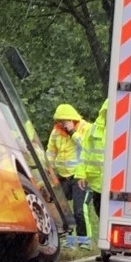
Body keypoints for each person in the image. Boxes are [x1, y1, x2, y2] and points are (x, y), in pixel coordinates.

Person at [46, 103, 91, 244]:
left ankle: (84, 242)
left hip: (79, 176)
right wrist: (49, 169)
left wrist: (72, 132)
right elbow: (51, 151)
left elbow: (87, 146)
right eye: (58, 121)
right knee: (59, 209)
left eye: (63, 121)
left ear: (71, 119)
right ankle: (67, 240)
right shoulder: (56, 131)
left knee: (79, 210)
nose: (60, 124)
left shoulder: (85, 127)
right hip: (62, 176)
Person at [76, 98, 108, 245]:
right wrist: (81, 174)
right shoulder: (95, 128)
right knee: (101, 214)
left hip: (118, 183)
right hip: (97, 182)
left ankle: (108, 246)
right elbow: (85, 152)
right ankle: (105, 248)